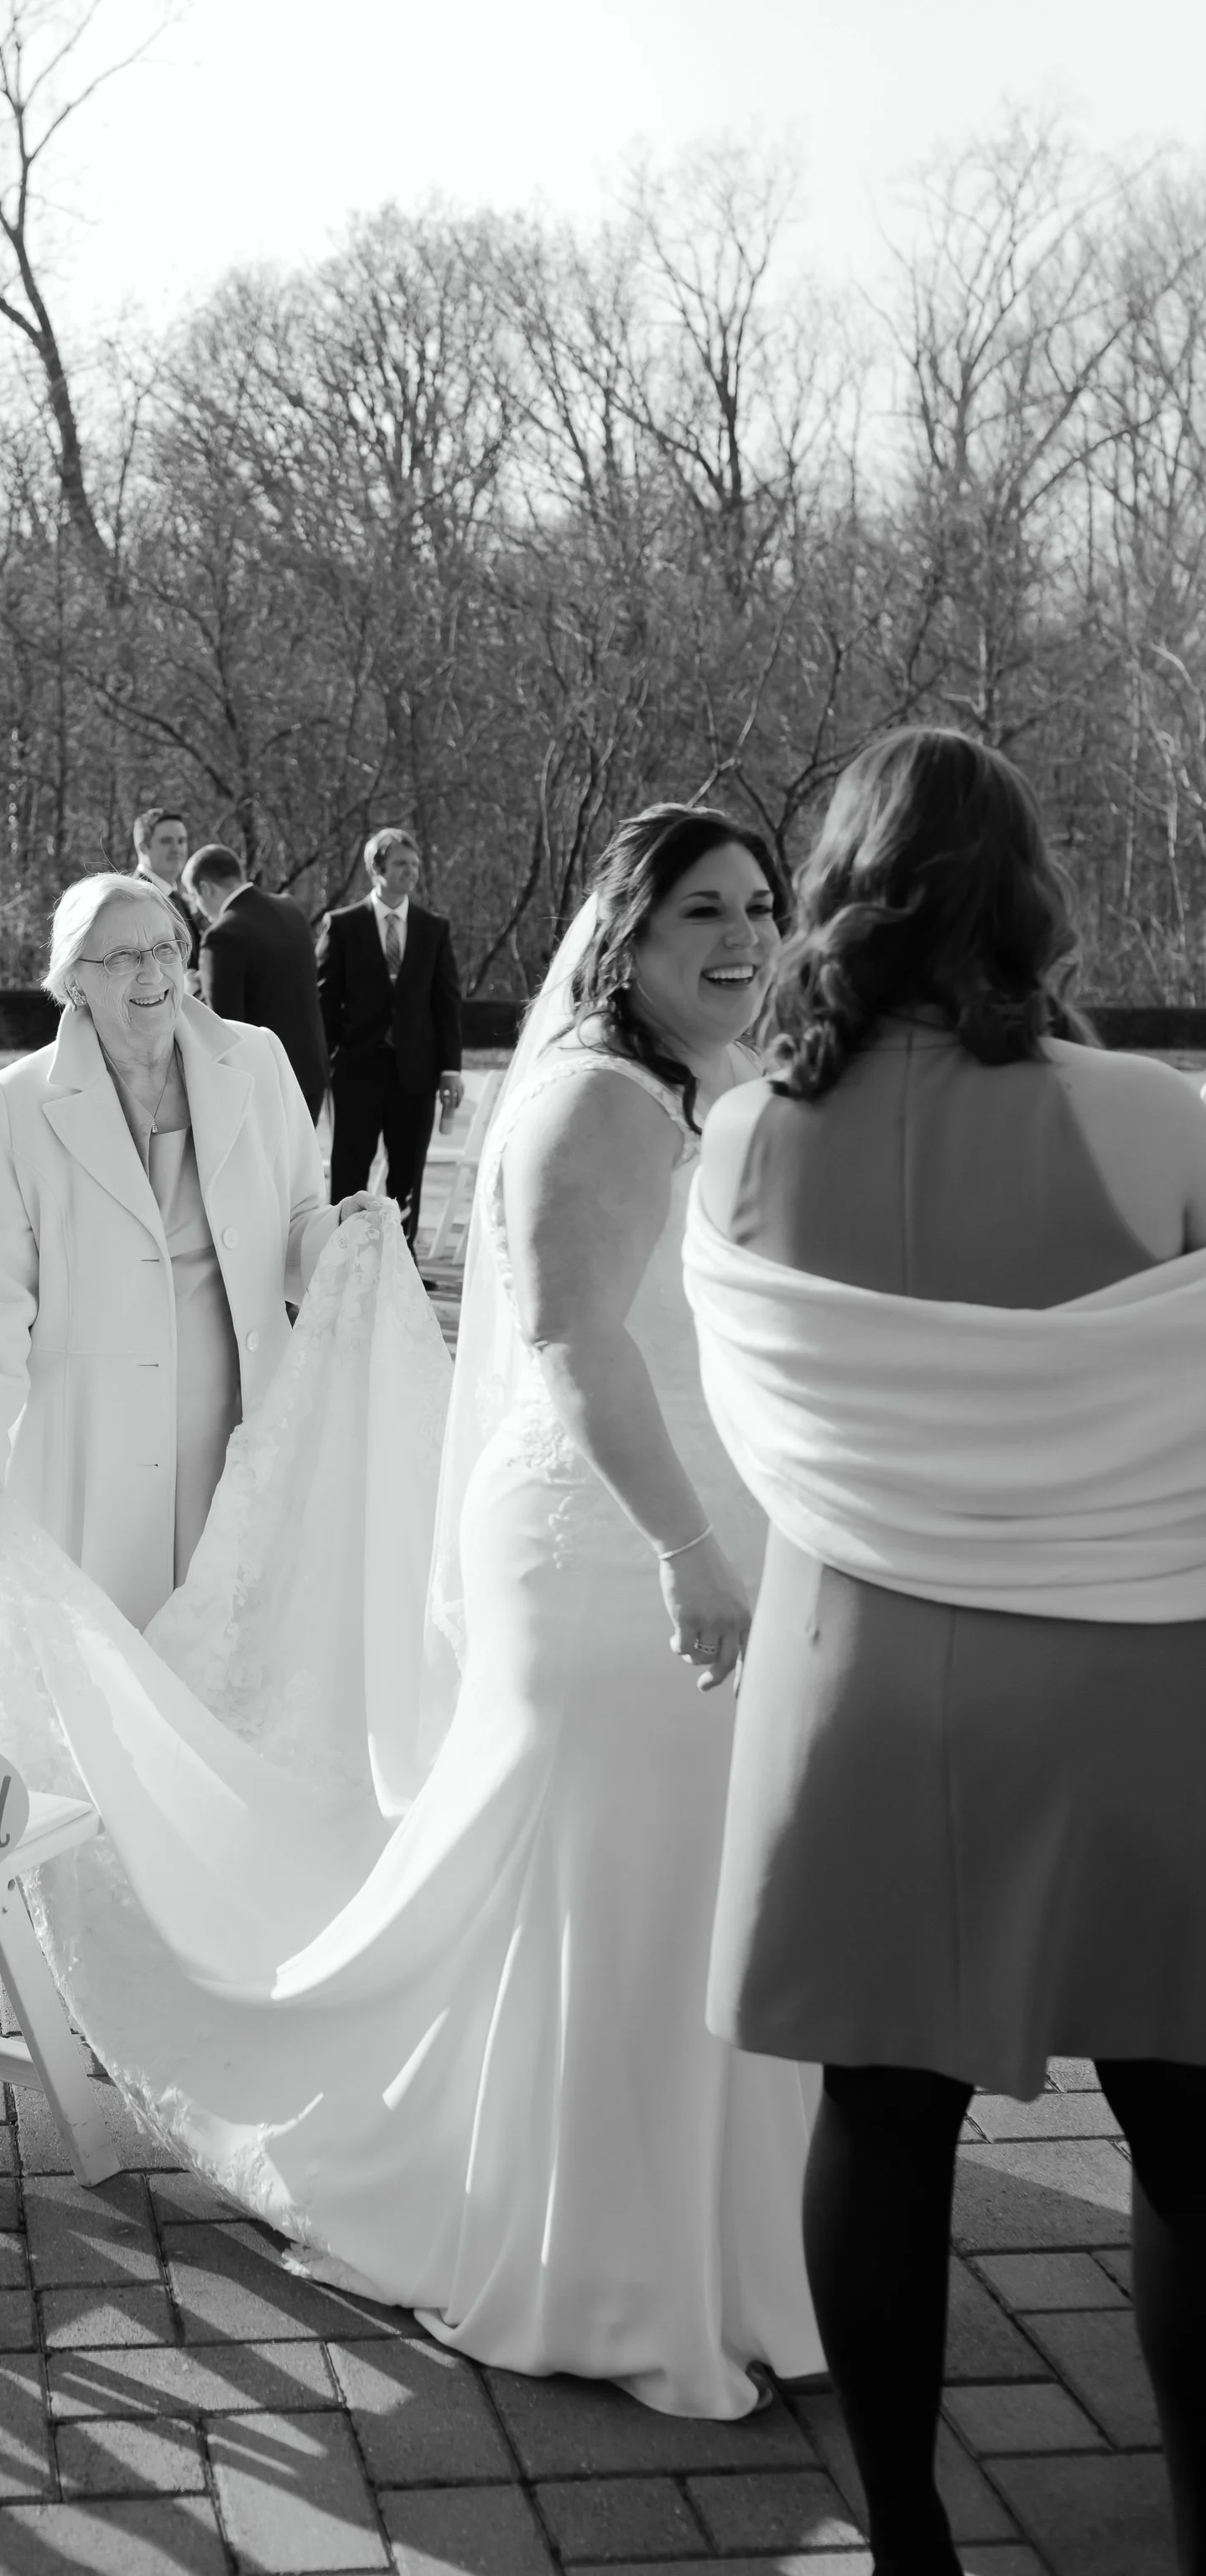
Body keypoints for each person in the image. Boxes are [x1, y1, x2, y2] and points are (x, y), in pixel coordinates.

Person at [0, 805, 824, 2418]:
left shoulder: (692, 1087)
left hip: (662, 1525)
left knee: (659, 1892)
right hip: (611, 1548)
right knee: (623, 1898)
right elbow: (576, 1349)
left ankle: (713, 2244)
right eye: (701, 907)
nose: (741, 933)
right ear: (624, 933)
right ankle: (602, 2258)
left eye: (760, 905)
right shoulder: (602, 1102)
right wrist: (690, 1546)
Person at [686, 730, 1206, 2573]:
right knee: (1184, 2113)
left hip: (866, 1671)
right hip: (1136, 1668)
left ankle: (908, 2541)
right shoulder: (1156, 1121)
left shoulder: (745, 1140)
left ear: (833, 894)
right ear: (1028, 891)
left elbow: (757, 1419)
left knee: (881, 2113)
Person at [0, 873, 372, 1719]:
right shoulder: (15, 1104)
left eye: (166, 948)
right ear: (74, 982)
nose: (153, 972)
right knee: (106, 1676)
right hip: (88, 1434)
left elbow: (292, 1226)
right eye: (124, 955)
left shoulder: (256, 1060)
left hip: (233, 1421)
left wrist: (340, 1241)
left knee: (223, 1664)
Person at [317, 828, 464, 1246]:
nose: (410, 872)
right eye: (401, 864)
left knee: (407, 1172)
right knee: (349, 1170)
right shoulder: (343, 925)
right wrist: (322, 1063)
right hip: (356, 1071)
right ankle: (344, 1254)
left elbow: (447, 1002)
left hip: (415, 1074)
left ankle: (403, 1261)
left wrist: (451, 1069)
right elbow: (324, 1001)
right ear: (376, 869)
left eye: (415, 865)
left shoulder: (433, 929)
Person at [183, 844, 330, 1119]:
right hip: (310, 1072)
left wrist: (193, 990)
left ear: (206, 888)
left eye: (194, 897)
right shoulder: (291, 908)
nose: (200, 909)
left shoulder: (222, 935)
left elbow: (224, 1025)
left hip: (265, 1083)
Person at [129, 806, 205, 968]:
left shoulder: (178, 899)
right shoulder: (132, 899)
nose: (177, 849)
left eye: (181, 841)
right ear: (143, 847)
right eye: (166, 841)